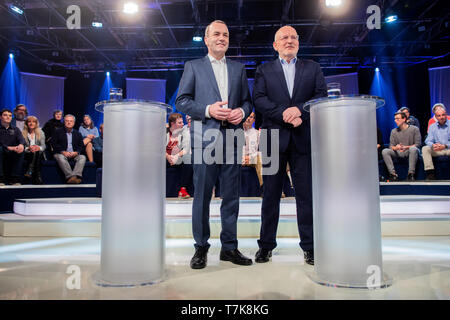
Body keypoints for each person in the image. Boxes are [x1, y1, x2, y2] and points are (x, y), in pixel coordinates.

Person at [175, 20, 253, 269]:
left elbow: (248, 102)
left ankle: (229, 248)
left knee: (231, 197)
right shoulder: (193, 66)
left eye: (226, 34)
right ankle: (201, 248)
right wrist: (208, 110)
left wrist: (241, 111)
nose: (222, 38)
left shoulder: (239, 69)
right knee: (202, 198)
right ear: (206, 39)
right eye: (216, 34)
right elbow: (182, 101)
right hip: (203, 140)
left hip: (232, 139)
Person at [253, 25, 327, 266]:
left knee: (305, 195)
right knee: (270, 195)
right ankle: (265, 246)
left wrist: (300, 111)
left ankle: (310, 247)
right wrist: (285, 112)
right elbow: (259, 100)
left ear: (298, 43)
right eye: (284, 38)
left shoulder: (312, 67)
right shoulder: (264, 70)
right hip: (273, 138)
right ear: (275, 45)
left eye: (293, 37)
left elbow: (320, 95)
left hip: (303, 137)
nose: (289, 41)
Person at [382, 111, 421, 181]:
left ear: (404, 119)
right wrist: (396, 147)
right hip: (399, 152)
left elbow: (418, 144)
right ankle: (393, 174)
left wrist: (405, 147)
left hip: (409, 151)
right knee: (385, 151)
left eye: (397, 119)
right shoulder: (393, 131)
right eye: (395, 119)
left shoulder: (414, 129)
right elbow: (391, 146)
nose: (395, 121)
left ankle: (410, 174)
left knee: (413, 149)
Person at [51, 114, 86, 184]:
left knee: (82, 157)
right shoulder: (57, 131)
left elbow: (81, 146)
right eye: (67, 121)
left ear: (74, 123)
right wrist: (63, 152)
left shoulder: (78, 133)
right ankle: (70, 177)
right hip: (61, 153)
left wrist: (76, 152)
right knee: (60, 157)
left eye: (71, 121)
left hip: (74, 154)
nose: (69, 122)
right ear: (64, 122)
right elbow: (54, 144)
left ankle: (75, 175)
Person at [166, 113, 191, 198]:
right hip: (165, 158)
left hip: (177, 158)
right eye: (180, 123)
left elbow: (186, 149)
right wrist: (168, 156)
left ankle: (183, 188)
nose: (183, 124)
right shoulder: (165, 132)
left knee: (188, 159)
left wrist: (176, 156)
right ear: (173, 124)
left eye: (182, 122)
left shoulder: (183, 133)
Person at [422, 106, 450, 180]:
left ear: (446, 115)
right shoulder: (432, 127)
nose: (441, 117)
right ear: (436, 117)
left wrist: (445, 146)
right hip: (438, 150)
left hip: (448, 149)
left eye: (443, 115)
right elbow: (428, 140)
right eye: (439, 115)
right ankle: (430, 173)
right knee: (425, 149)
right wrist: (433, 145)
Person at [0, 109, 25, 185]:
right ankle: (0, 178)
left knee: (21, 150)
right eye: (5, 115)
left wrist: (21, 145)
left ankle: (14, 178)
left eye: (10, 115)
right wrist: (8, 147)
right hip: (2, 150)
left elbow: (22, 139)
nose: (8, 117)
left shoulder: (15, 129)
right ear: (0, 117)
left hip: (12, 151)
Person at [242, 112, 263, 190]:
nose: (248, 119)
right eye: (247, 116)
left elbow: (261, 151)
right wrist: (243, 159)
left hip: (252, 159)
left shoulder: (258, 133)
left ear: (254, 120)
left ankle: (264, 187)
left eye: (251, 117)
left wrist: (250, 158)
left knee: (262, 157)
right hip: (239, 159)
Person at [22, 116, 46, 184]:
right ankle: (38, 177)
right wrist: (29, 148)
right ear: (26, 123)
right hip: (27, 154)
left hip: (39, 153)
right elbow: (22, 147)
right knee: (34, 152)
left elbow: (43, 146)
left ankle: (30, 170)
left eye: (33, 122)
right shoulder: (23, 133)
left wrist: (38, 148)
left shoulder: (40, 132)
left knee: (36, 152)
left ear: (36, 123)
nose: (31, 123)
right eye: (29, 122)